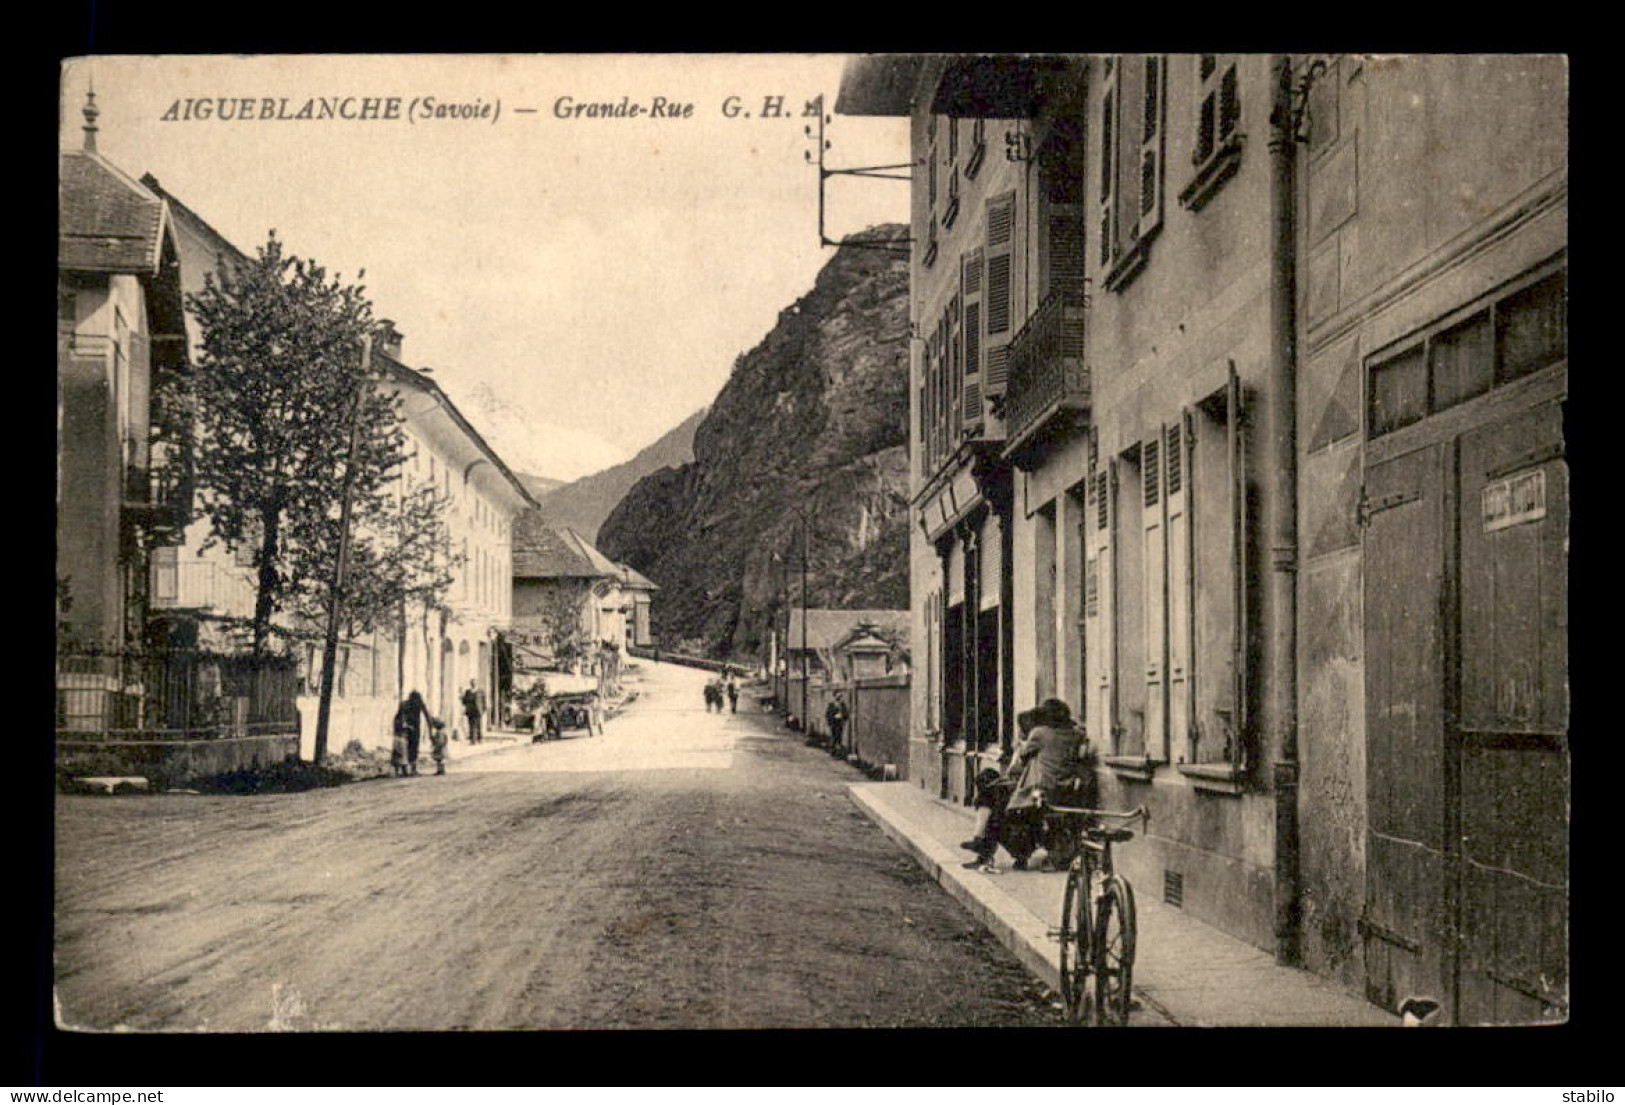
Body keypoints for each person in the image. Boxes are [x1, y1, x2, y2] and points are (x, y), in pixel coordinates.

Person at [392, 690, 438, 778]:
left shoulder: (405, 704)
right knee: (413, 748)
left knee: (405, 749)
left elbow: (398, 717)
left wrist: (400, 727)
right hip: (414, 728)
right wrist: (430, 732)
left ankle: (405, 770)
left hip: (406, 729)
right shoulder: (419, 703)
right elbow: (427, 717)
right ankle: (412, 769)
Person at [461, 680, 485, 745]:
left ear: (476, 684)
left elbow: (483, 701)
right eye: (472, 683)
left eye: (474, 683)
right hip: (470, 711)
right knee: (471, 725)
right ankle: (473, 740)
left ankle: (480, 738)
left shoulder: (480, 691)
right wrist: (462, 696)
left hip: (478, 711)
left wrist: (483, 710)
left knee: (478, 725)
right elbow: (464, 701)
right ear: (470, 684)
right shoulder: (468, 692)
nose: (473, 684)